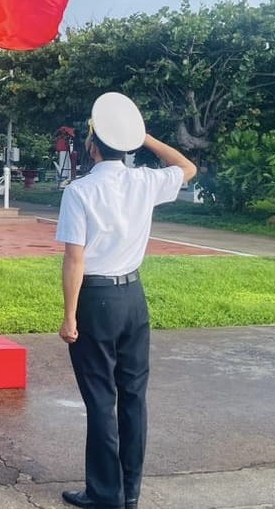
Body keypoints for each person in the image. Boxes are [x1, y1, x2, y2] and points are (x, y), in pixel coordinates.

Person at [56, 92, 196, 509]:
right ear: (126, 143)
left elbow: (74, 259)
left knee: (101, 398)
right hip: (134, 296)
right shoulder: (144, 181)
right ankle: (130, 491)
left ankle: (105, 493)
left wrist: (68, 316)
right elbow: (187, 168)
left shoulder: (79, 191)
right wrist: (144, 137)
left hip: (96, 298)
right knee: (133, 396)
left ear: (93, 144)